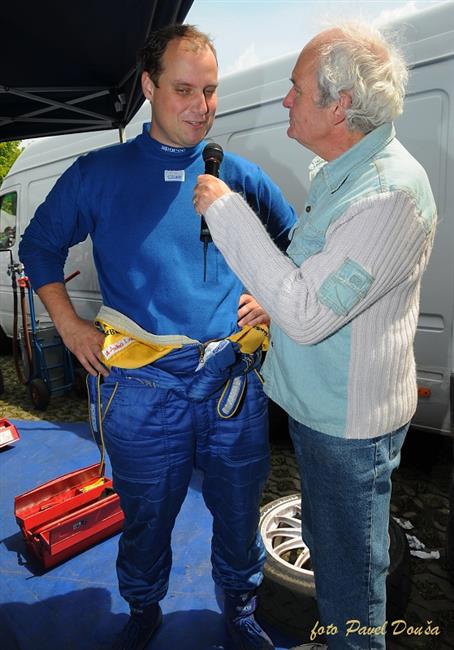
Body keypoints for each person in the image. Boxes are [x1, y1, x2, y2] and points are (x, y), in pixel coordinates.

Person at [18, 24, 297, 650]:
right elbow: (37, 243)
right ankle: (143, 612)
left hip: (231, 383)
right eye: (184, 90)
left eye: (211, 91)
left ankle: (240, 612)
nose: (202, 107)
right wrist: (67, 323)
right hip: (141, 391)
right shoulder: (98, 172)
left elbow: (294, 239)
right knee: (145, 519)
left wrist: (275, 301)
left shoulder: (239, 177)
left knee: (237, 516)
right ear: (148, 87)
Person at [194, 22, 437, 650]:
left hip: (348, 428)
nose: (285, 101)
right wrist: (275, 303)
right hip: (323, 412)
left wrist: (225, 212)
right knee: (332, 554)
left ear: (339, 106)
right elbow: (324, 283)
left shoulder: (387, 195)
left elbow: (308, 311)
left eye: (296, 89)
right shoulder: (348, 172)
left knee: (352, 582)